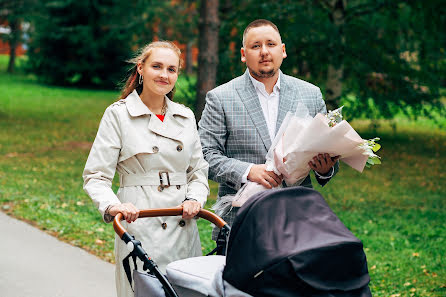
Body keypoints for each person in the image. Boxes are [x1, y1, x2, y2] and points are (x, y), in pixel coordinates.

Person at [83, 41, 209, 297]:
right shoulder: (119, 115)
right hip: (140, 222)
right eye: (157, 66)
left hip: (180, 222)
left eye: (171, 69)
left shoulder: (185, 117)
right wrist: (113, 206)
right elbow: (95, 176)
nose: (164, 75)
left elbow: (198, 171)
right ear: (141, 68)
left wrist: (195, 198)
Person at [198, 19, 339, 239]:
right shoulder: (220, 98)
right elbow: (205, 156)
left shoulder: (311, 94)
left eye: (271, 44)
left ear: (282, 51)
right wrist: (247, 171)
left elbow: (328, 150)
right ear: (244, 54)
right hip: (241, 221)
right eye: (256, 46)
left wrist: (325, 169)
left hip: (299, 221)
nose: (264, 51)